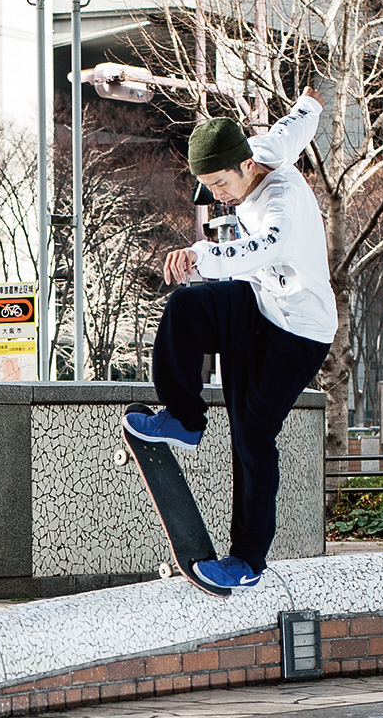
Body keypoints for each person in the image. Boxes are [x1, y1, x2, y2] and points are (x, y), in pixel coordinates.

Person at [124, 90, 334, 595]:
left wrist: (202, 256)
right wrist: (311, 104)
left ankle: (247, 559)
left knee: (252, 434)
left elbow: (266, 246)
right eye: (207, 187)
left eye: (221, 184)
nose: (218, 195)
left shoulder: (280, 198)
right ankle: (184, 418)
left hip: (299, 334)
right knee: (186, 310)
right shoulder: (263, 147)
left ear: (245, 166)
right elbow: (293, 127)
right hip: (260, 304)